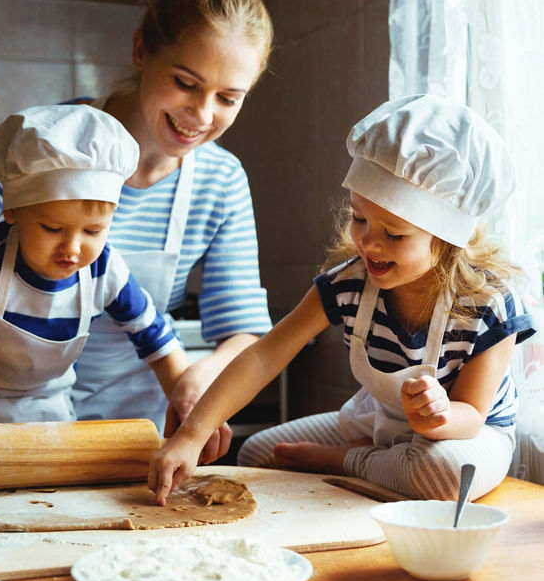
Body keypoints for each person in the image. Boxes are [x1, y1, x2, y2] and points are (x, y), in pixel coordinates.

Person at [0, 0, 274, 477]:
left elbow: (241, 333)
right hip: (12, 444)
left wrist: (198, 377)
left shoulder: (221, 180)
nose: (202, 114)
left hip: (132, 451)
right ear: (141, 48)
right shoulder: (46, 150)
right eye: (187, 82)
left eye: (228, 98)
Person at [148, 94, 536, 505]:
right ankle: (377, 458)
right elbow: (264, 356)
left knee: (440, 475)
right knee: (257, 454)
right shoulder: (349, 283)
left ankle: (349, 461)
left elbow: (472, 415)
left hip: (468, 436)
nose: (369, 242)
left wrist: (438, 417)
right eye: (360, 218)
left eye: (394, 234)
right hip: (382, 423)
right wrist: (193, 433)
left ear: (447, 239)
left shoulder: (489, 302)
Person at [0, 104, 188, 454]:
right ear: (12, 210)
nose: (73, 248)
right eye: (52, 228)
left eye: (94, 230)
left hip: (50, 419)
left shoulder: (104, 269)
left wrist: (189, 408)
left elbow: (156, 339)